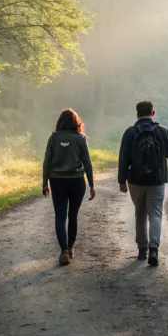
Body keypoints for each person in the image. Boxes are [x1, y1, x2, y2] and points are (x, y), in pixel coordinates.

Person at [118, 100, 168, 266]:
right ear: (153, 113)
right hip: (157, 180)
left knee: (140, 214)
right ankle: (154, 248)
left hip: (136, 181)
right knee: (156, 214)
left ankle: (142, 250)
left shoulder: (130, 132)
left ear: (137, 114)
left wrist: (121, 180)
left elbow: (123, 158)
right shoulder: (163, 131)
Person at [42, 108, 96, 266]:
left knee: (60, 216)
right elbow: (87, 162)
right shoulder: (80, 138)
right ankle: (71, 247)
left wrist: (45, 182)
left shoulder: (53, 138)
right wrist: (92, 184)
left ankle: (64, 250)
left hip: (57, 181)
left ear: (60, 122)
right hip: (77, 182)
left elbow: (47, 161)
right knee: (73, 215)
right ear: (75, 122)